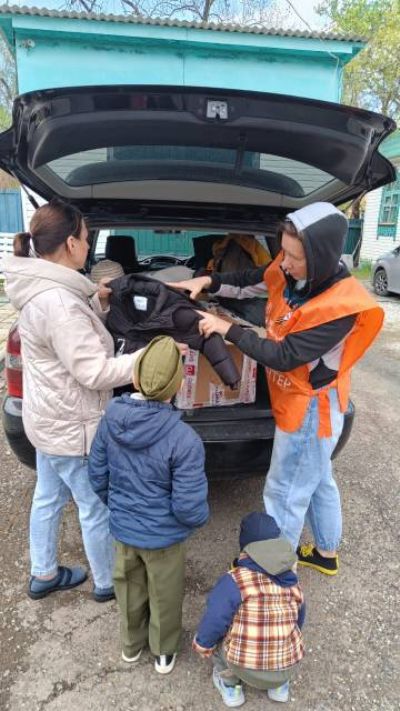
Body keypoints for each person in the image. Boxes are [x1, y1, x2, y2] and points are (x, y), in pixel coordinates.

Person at [170, 202, 384, 575]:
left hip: (311, 409)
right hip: (298, 397)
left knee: (285, 491)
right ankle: (325, 552)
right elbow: (251, 279)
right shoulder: (290, 271)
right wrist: (208, 282)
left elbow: (285, 356)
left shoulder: (340, 307)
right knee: (317, 479)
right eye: (284, 252)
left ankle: (273, 572)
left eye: (295, 257)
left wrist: (229, 330)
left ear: (321, 257)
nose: (285, 263)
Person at [2, 198, 145, 602]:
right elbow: (94, 372)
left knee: (48, 496)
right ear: (70, 244)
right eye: (85, 237)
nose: (86, 244)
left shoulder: (48, 290)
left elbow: (68, 337)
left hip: (49, 419)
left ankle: (44, 572)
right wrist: (146, 359)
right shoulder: (60, 304)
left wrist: (98, 303)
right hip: (73, 428)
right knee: (94, 506)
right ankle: (106, 583)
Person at [88, 336, 209, 675]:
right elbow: (188, 506)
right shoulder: (185, 439)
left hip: (124, 531)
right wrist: (195, 521)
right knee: (165, 594)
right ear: (178, 385)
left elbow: (97, 475)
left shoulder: (110, 420)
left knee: (128, 588)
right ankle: (163, 651)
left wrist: (119, 508)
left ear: (135, 377)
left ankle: (131, 645)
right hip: (164, 539)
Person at [192, 512, 305, 706]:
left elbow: (215, 618)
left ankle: (231, 687)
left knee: (218, 642)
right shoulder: (291, 580)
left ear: (245, 547)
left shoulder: (235, 580)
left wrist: (203, 644)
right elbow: (299, 619)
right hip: (286, 668)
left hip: (244, 668)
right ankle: (279, 687)